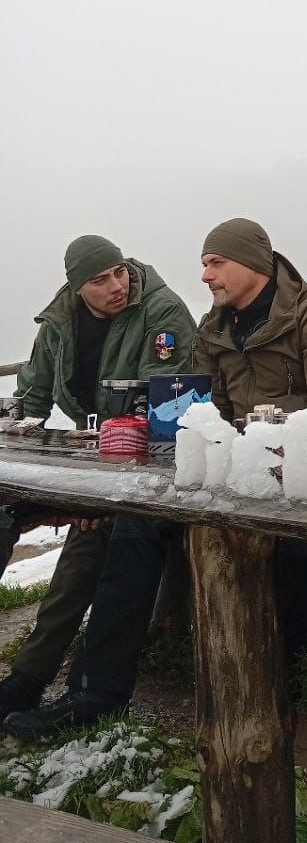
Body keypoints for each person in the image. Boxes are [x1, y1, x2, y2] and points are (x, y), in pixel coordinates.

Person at [4, 219, 307, 736]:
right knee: (133, 525)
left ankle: (281, 676)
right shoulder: (215, 327)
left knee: (293, 546)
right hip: (225, 472)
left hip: (302, 478)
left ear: (253, 263)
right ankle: (95, 692)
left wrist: (260, 448)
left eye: (216, 263)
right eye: (204, 264)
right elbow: (201, 412)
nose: (205, 275)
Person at [0, 235, 195, 717]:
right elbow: (31, 399)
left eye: (119, 272)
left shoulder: (162, 312)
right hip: (87, 460)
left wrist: (101, 492)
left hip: (144, 465)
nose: (116, 285)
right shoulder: (59, 322)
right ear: (77, 287)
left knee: (93, 541)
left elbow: (163, 407)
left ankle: (38, 679)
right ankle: (30, 680)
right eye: (100, 279)